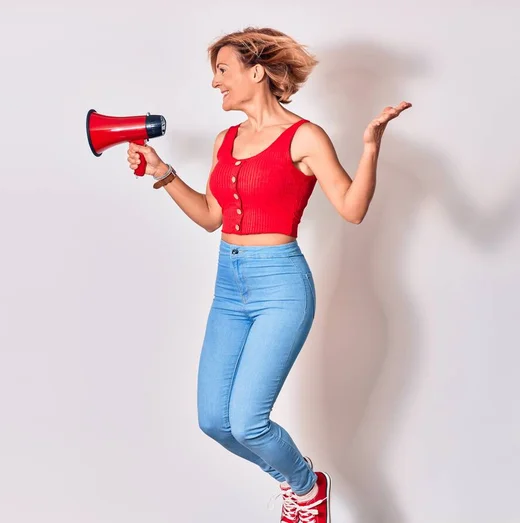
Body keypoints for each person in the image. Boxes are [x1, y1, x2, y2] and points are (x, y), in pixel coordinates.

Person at [126, 26, 411, 523]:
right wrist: (162, 171)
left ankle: (305, 488)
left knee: (248, 422)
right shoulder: (226, 139)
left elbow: (351, 208)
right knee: (214, 420)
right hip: (228, 284)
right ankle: (297, 484)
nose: (216, 83)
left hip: (280, 286)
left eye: (223, 70)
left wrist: (370, 147)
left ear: (256, 72)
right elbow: (214, 216)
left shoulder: (304, 137)